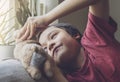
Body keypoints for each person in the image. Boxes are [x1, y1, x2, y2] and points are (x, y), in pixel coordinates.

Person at [16, 0, 120, 82]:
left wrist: (47, 18)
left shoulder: (95, 39)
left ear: (75, 35)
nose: (50, 45)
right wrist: (54, 72)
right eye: (45, 49)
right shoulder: (65, 77)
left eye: (53, 36)